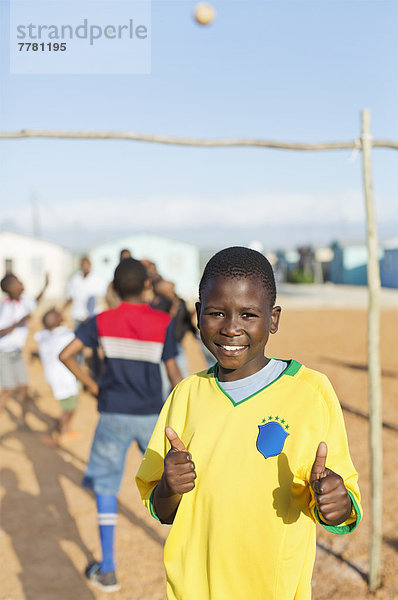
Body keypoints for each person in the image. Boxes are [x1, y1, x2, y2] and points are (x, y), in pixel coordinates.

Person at [136, 246, 362, 600]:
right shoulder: (185, 395)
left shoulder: (310, 392)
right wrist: (169, 485)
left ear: (273, 319)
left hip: (272, 589)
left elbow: (341, 505)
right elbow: (163, 510)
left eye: (248, 315)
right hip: (194, 590)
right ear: (197, 315)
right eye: (216, 313)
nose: (230, 328)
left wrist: (337, 503)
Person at [60, 257, 182, 593]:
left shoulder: (101, 320)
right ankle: (191, 557)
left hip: (113, 413)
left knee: (105, 486)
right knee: (173, 483)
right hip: (150, 416)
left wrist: (93, 385)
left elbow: (66, 354)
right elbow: (173, 373)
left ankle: (109, 568)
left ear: (112, 288)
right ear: (147, 287)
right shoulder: (162, 321)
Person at [0, 272, 48, 420]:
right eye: (17, 282)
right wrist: (19, 322)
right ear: (10, 288)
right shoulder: (5, 307)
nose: (21, 284)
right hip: (4, 353)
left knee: (24, 388)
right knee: (8, 389)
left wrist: (46, 286)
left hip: (17, 352)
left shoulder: (24, 301)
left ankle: (23, 422)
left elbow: (35, 301)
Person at [34, 308, 79, 444]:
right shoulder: (67, 335)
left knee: (68, 406)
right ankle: (54, 432)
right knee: (69, 409)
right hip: (65, 377)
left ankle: (66, 430)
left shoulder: (41, 335)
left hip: (52, 376)